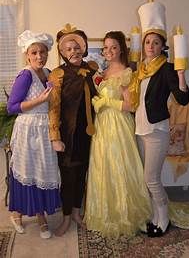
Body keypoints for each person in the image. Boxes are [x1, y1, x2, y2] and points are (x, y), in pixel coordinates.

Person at [129, 0, 189, 237]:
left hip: (157, 130)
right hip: (140, 129)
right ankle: (154, 216)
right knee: (148, 179)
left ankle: (163, 219)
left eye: (156, 42)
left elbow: (182, 100)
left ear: (162, 46)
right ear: (143, 45)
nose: (151, 45)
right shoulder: (139, 70)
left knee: (151, 178)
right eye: (147, 42)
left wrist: (182, 75)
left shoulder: (167, 68)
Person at [84, 31, 152, 239]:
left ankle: (124, 213)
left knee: (119, 166)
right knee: (103, 166)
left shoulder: (126, 72)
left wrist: (107, 102)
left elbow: (131, 105)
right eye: (106, 47)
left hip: (118, 125)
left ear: (121, 48)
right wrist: (97, 103)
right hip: (102, 126)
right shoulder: (102, 73)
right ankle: (105, 212)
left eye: (113, 47)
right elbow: (98, 96)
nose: (109, 51)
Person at [7, 30, 60, 239]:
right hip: (28, 130)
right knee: (26, 173)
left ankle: (40, 216)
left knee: (42, 173)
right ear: (27, 55)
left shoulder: (48, 73)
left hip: (44, 129)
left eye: (43, 51)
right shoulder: (25, 75)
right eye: (35, 52)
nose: (39, 56)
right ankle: (18, 214)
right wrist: (39, 100)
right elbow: (12, 107)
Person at [48, 25, 98, 236]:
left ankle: (77, 212)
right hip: (67, 134)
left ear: (83, 49)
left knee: (82, 175)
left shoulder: (93, 70)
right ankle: (66, 217)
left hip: (87, 134)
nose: (74, 51)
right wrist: (54, 137)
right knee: (67, 177)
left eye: (77, 47)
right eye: (69, 49)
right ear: (62, 53)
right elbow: (53, 108)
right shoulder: (57, 75)